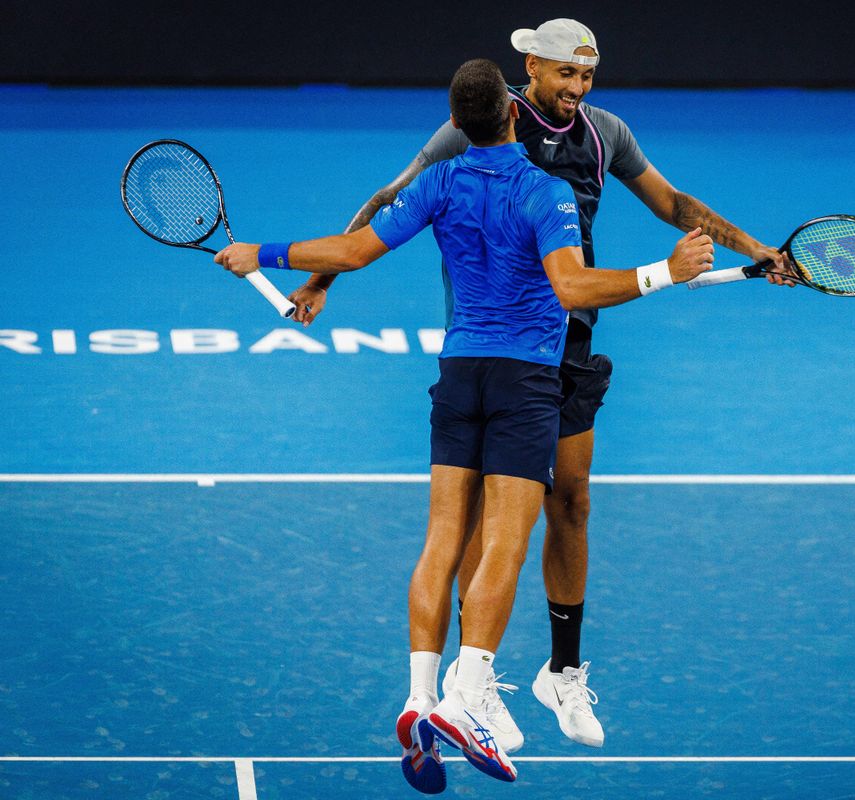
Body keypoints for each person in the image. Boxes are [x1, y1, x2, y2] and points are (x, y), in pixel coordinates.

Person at [287, 18, 797, 752]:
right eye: (566, 75)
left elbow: (672, 203)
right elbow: (388, 200)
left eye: (588, 77)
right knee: (483, 524)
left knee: (572, 501)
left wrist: (757, 248)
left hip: (575, 336)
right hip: (504, 341)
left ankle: (560, 671)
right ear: (532, 66)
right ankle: (473, 685)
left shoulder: (605, 133)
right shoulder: (482, 124)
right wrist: (319, 279)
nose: (577, 90)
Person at [214, 58, 714, 792]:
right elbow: (573, 287)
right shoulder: (545, 192)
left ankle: (418, 697)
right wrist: (666, 272)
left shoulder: (439, 182)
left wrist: (263, 254)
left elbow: (354, 250)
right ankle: (466, 696)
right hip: (524, 382)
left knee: (443, 541)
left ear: (459, 122)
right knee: (506, 547)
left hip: (459, 377)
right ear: (513, 114)